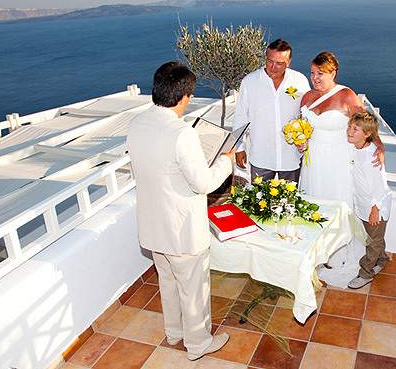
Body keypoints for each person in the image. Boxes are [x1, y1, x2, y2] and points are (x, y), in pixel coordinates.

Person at [127, 62, 234, 361]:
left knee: (168, 281)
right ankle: (198, 343)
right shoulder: (182, 133)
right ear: (185, 97)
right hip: (182, 228)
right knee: (194, 288)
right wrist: (226, 161)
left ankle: (174, 332)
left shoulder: (136, 123)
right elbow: (203, 183)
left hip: (153, 224)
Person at [297, 52, 384, 278]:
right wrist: (300, 141)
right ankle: (316, 254)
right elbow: (302, 127)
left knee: (335, 205)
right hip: (311, 161)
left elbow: (366, 124)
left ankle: (338, 256)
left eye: (321, 74)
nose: (315, 78)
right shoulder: (306, 97)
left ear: (333, 73)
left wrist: (380, 146)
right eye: (313, 73)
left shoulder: (345, 95)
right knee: (312, 203)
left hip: (336, 163)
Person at [233, 38, 310, 182]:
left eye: (280, 63)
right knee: (258, 202)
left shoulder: (300, 81)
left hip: (291, 157)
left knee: (290, 202)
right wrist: (239, 147)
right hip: (261, 157)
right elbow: (241, 116)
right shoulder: (250, 82)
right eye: (270, 61)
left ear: (289, 62)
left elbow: (307, 115)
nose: (273, 67)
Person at [345, 110, 393, 289]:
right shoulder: (356, 149)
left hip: (376, 207)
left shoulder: (370, 159)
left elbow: (379, 188)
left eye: (356, 129)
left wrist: (375, 211)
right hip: (365, 205)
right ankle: (382, 259)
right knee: (375, 237)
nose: (350, 131)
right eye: (350, 127)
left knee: (373, 241)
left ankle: (366, 273)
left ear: (367, 134)